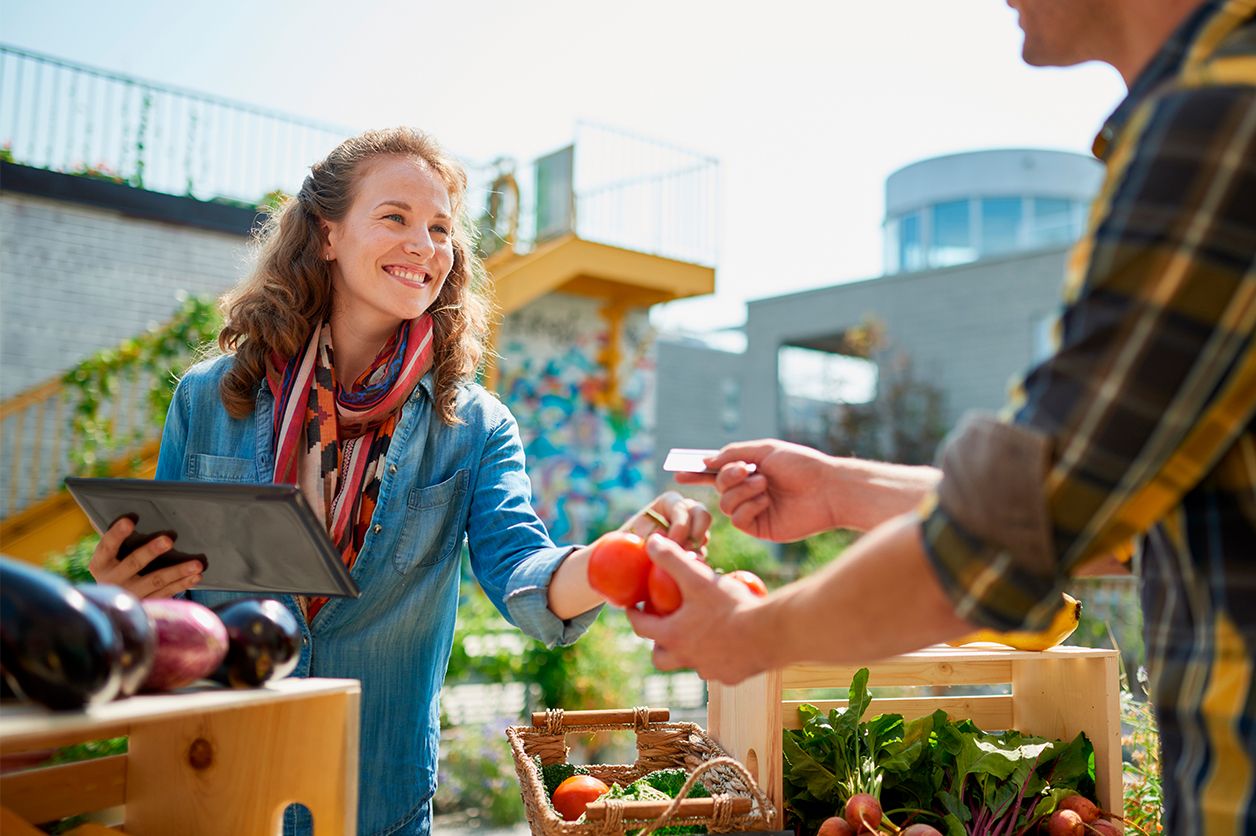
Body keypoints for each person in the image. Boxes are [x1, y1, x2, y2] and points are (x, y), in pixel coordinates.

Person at [626, 1, 1256, 832]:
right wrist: (840, 490)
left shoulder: (1215, 122)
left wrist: (750, 635)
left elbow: (1005, 533)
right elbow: (1108, 518)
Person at [85, 127, 712, 836]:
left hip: (374, 794)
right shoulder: (210, 397)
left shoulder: (473, 427)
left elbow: (523, 575)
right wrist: (120, 594)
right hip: (216, 783)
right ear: (327, 235)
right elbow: (167, 600)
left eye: (441, 228)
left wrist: (619, 556)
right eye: (395, 218)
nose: (425, 245)